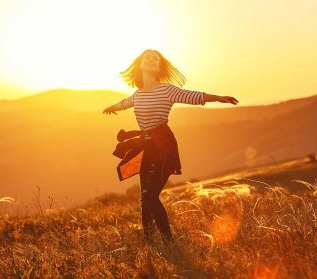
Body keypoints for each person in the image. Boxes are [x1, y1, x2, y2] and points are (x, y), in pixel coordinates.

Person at [102, 49, 238, 244]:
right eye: (146, 57)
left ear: (159, 67)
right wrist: (111, 108)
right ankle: (150, 241)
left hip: (162, 146)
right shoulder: (138, 94)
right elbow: (126, 103)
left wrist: (218, 97)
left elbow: (192, 95)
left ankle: (169, 242)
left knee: (150, 196)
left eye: (155, 59)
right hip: (146, 146)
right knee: (145, 197)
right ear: (140, 64)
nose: (150, 60)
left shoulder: (166, 90)